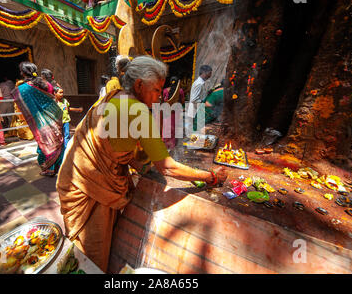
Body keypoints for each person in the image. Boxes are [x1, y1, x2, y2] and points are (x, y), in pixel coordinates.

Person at [55, 56, 229, 272]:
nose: (158, 97)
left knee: (81, 249)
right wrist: (210, 177)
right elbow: (168, 167)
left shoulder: (114, 95)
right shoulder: (137, 111)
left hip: (73, 174)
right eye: (156, 90)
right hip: (90, 186)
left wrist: (144, 163)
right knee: (90, 258)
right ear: (139, 85)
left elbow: (120, 146)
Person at [12, 62, 64, 177]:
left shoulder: (23, 88)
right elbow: (51, 99)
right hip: (53, 115)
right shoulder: (46, 84)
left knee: (45, 143)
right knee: (56, 141)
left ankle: (48, 168)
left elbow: (20, 99)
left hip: (40, 120)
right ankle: (57, 166)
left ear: (23, 73)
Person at [162, 76, 185, 149]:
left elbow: (163, 101)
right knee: (174, 128)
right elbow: (182, 101)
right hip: (176, 112)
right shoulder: (180, 91)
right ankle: (172, 146)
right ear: (178, 83)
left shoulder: (165, 90)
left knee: (166, 127)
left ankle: (165, 144)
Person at [187, 64, 212, 133]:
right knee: (195, 132)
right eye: (210, 73)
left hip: (196, 111)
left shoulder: (201, 83)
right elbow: (194, 99)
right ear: (204, 73)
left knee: (196, 132)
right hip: (194, 111)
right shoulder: (199, 84)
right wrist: (204, 102)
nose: (210, 75)